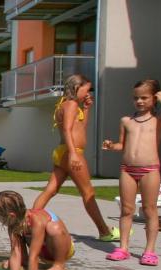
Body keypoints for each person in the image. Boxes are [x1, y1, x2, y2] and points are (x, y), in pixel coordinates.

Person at [102, 79, 161, 266]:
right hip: (127, 170)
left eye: (144, 98)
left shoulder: (158, 120)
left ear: (154, 97)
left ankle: (149, 251)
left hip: (149, 170)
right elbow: (123, 145)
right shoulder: (127, 121)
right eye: (136, 98)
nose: (139, 101)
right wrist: (112, 145)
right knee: (127, 210)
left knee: (149, 210)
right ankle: (123, 248)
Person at [32, 74, 118, 242]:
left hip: (62, 152)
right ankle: (104, 231)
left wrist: (86, 109)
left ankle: (30, 221)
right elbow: (67, 130)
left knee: (51, 190)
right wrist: (73, 154)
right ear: (78, 87)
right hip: (72, 152)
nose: (88, 92)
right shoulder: (70, 105)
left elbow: (80, 127)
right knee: (88, 193)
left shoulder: (65, 105)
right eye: (87, 89)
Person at [0, 190, 75, 270]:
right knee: (18, 234)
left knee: (53, 228)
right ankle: (24, 261)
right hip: (44, 251)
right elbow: (15, 254)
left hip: (63, 250)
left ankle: (59, 265)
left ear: (11, 216)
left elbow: (34, 256)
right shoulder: (13, 225)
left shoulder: (36, 220)